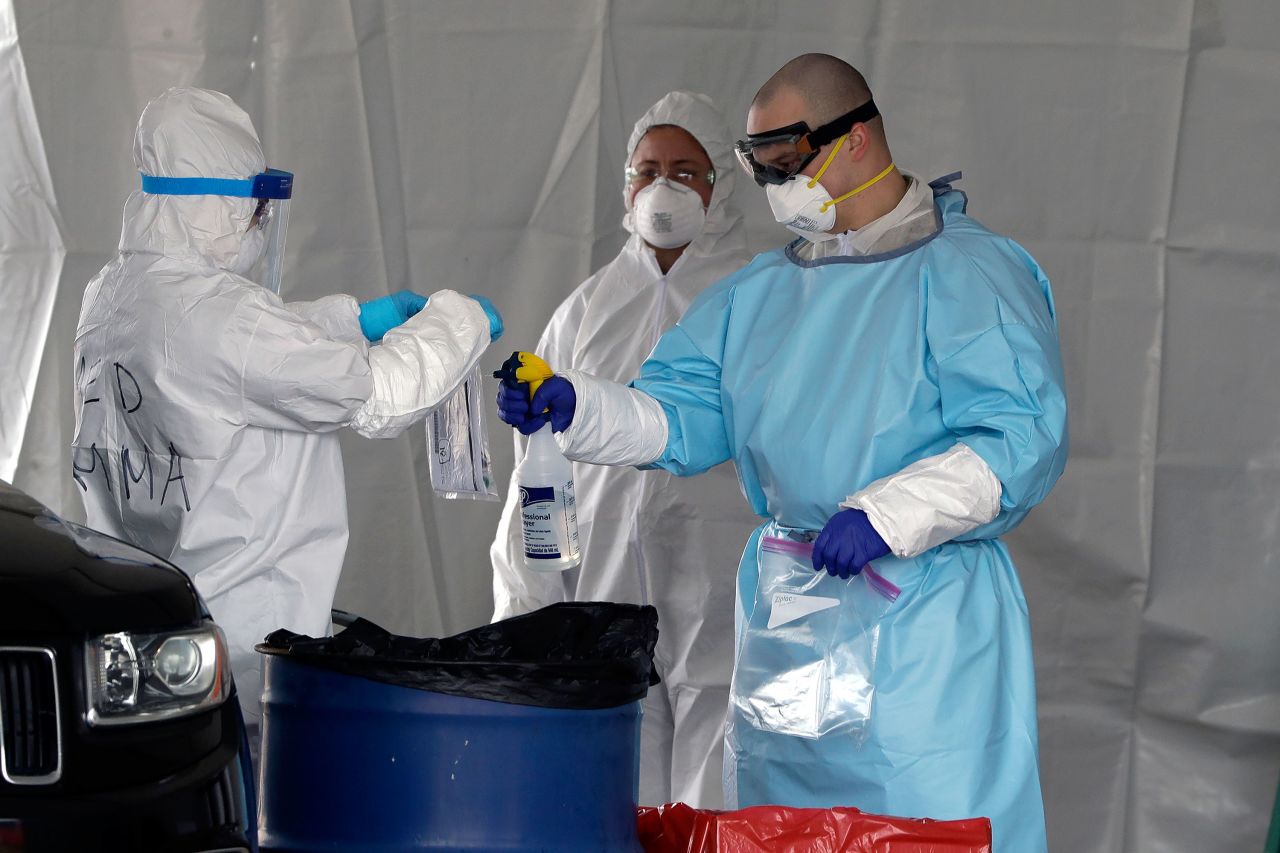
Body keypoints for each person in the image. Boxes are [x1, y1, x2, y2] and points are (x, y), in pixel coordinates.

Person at [497, 55, 1067, 852]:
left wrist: (888, 513)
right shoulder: (763, 292)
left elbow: (1020, 435)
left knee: (924, 822)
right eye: (758, 164)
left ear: (858, 138)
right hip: (793, 608)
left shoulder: (967, 272)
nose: (774, 185)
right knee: (783, 823)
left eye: (788, 161)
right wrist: (582, 404)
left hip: (921, 617)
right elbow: (680, 415)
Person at [71, 87, 504, 753]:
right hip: (247, 647)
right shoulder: (224, 320)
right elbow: (379, 396)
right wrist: (460, 321)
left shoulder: (113, 296)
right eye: (255, 207)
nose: (261, 222)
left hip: (153, 639)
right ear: (219, 205)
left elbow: (221, 360)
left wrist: (351, 321)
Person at [490, 91, 761, 809]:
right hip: (606, 584)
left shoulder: (758, 297)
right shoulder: (587, 309)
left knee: (718, 782)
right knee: (615, 789)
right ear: (627, 185)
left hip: (722, 581)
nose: (663, 188)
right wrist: (528, 608)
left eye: (685, 170)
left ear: (721, 183)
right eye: (648, 170)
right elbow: (535, 471)